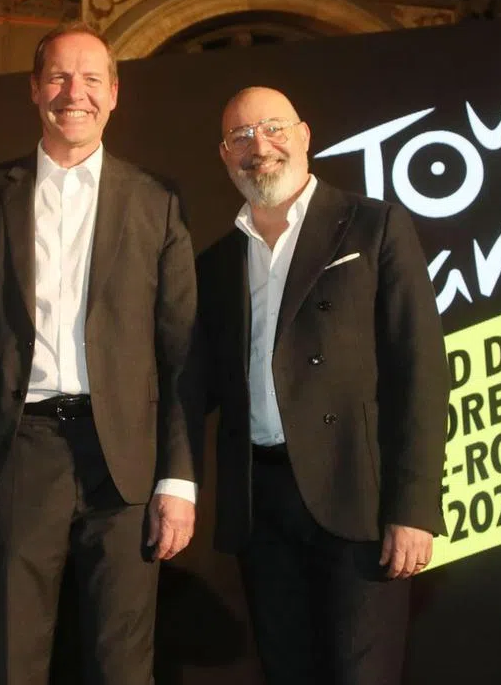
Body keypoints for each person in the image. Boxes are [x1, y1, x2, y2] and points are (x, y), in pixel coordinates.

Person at [0, 21, 198, 685]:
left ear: (114, 93)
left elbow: (180, 350)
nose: (73, 92)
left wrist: (179, 479)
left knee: (121, 664)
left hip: (126, 462)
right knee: (9, 657)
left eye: (90, 78)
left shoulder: (157, 200)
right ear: (33, 89)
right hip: (19, 452)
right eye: (57, 76)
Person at [193, 86, 450, 684]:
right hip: (261, 505)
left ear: (305, 135)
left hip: (357, 499)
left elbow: (421, 370)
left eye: (274, 128)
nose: (261, 147)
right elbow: (194, 383)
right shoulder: (215, 262)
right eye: (241, 137)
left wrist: (413, 508)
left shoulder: (374, 225)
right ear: (225, 155)